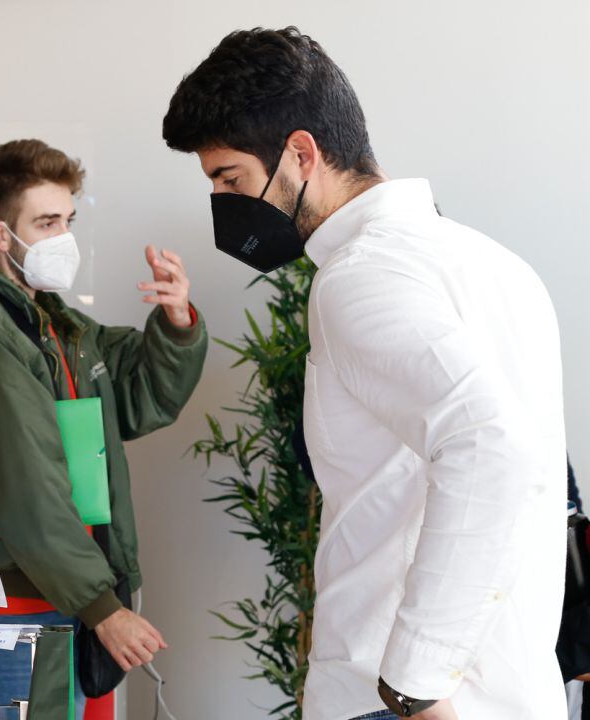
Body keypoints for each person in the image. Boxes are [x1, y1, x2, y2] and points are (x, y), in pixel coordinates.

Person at [163, 27, 567, 720]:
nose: (225, 204)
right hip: (504, 691)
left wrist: (417, 682)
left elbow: (492, 446)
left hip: (400, 699)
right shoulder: (495, 264)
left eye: (230, 178)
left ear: (300, 154)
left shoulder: (360, 278)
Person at [0, 139, 208, 716]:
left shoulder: (50, 321)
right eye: (46, 222)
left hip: (61, 593)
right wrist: (103, 608)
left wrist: (175, 323)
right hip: (25, 602)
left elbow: (136, 396)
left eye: (68, 220)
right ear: (1, 234)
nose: (63, 238)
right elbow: (23, 487)